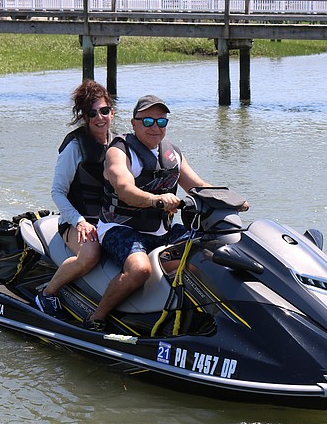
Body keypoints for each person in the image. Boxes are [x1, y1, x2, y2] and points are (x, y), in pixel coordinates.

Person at [85, 95, 245, 331]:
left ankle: (213, 314)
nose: (155, 127)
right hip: (120, 228)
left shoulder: (173, 154)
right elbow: (125, 189)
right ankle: (96, 318)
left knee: (214, 252)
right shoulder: (118, 152)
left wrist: (232, 200)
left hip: (162, 231)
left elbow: (197, 186)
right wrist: (155, 199)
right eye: (148, 121)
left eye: (161, 122)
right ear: (134, 123)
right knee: (140, 269)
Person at [35, 80, 116, 318]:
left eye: (104, 111)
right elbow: (57, 191)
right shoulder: (75, 147)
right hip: (76, 222)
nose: (100, 118)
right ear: (84, 116)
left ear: (112, 111)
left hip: (109, 220)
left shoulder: (118, 144)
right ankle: (48, 293)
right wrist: (79, 221)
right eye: (93, 113)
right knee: (90, 254)